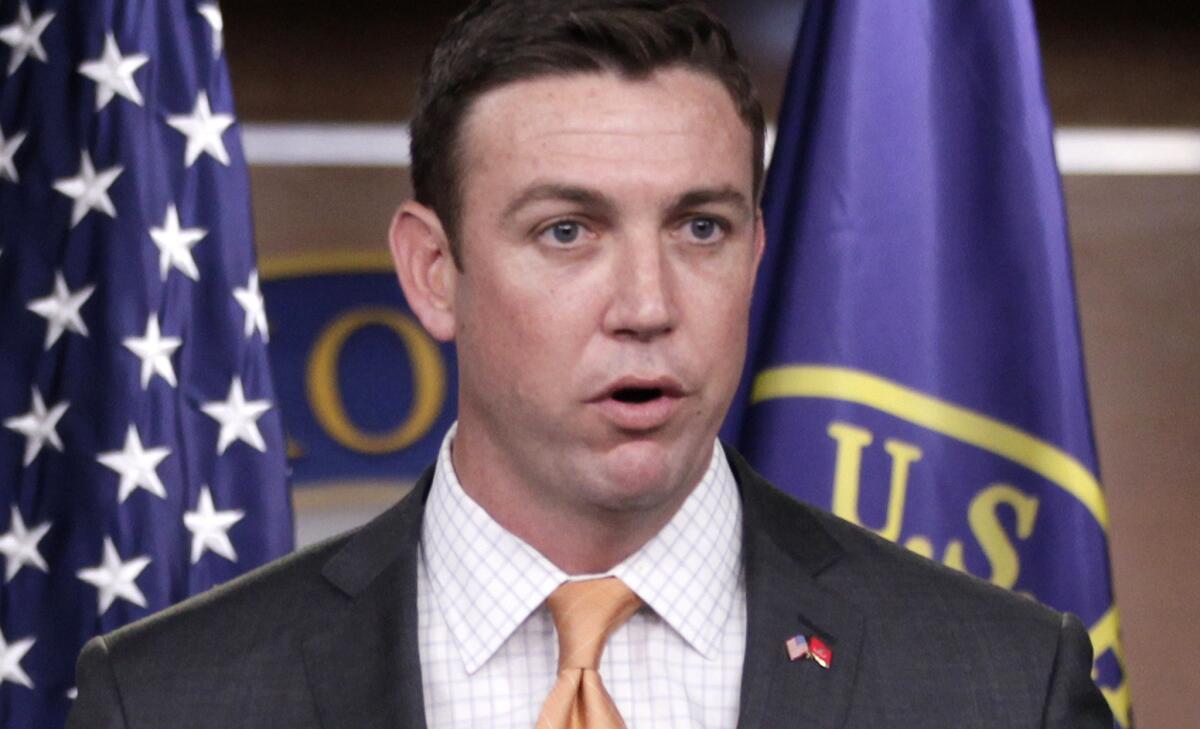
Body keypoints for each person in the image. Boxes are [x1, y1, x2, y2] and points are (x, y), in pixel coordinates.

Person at [68, 1, 1114, 727]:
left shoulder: (1001, 688)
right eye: (568, 231)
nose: (649, 306)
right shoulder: (173, 699)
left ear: (758, 252)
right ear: (436, 273)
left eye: (701, 229)